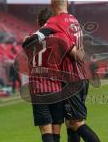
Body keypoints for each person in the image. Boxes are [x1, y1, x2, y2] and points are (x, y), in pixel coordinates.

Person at [45, 0, 100, 142]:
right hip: (82, 77)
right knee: (70, 122)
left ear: (51, 4)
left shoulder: (53, 23)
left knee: (77, 123)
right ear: (67, 3)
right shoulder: (74, 21)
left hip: (71, 79)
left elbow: (71, 50)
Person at [22, 8, 77, 142]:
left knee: (46, 132)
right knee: (56, 130)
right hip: (56, 89)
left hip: (37, 90)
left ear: (38, 22)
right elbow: (75, 56)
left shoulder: (28, 40)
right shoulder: (59, 38)